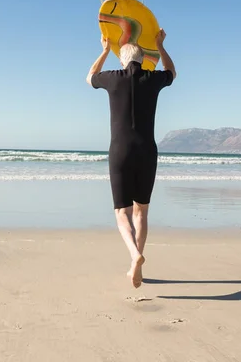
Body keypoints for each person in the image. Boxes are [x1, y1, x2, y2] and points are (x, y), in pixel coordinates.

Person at [86, 29, 176, 288]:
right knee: (142, 210)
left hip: (120, 151)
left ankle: (134, 255)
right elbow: (172, 73)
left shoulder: (113, 78)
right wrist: (160, 46)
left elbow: (89, 77)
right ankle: (136, 263)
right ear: (142, 59)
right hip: (147, 150)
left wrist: (104, 50)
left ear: (122, 60)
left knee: (120, 212)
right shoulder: (153, 77)